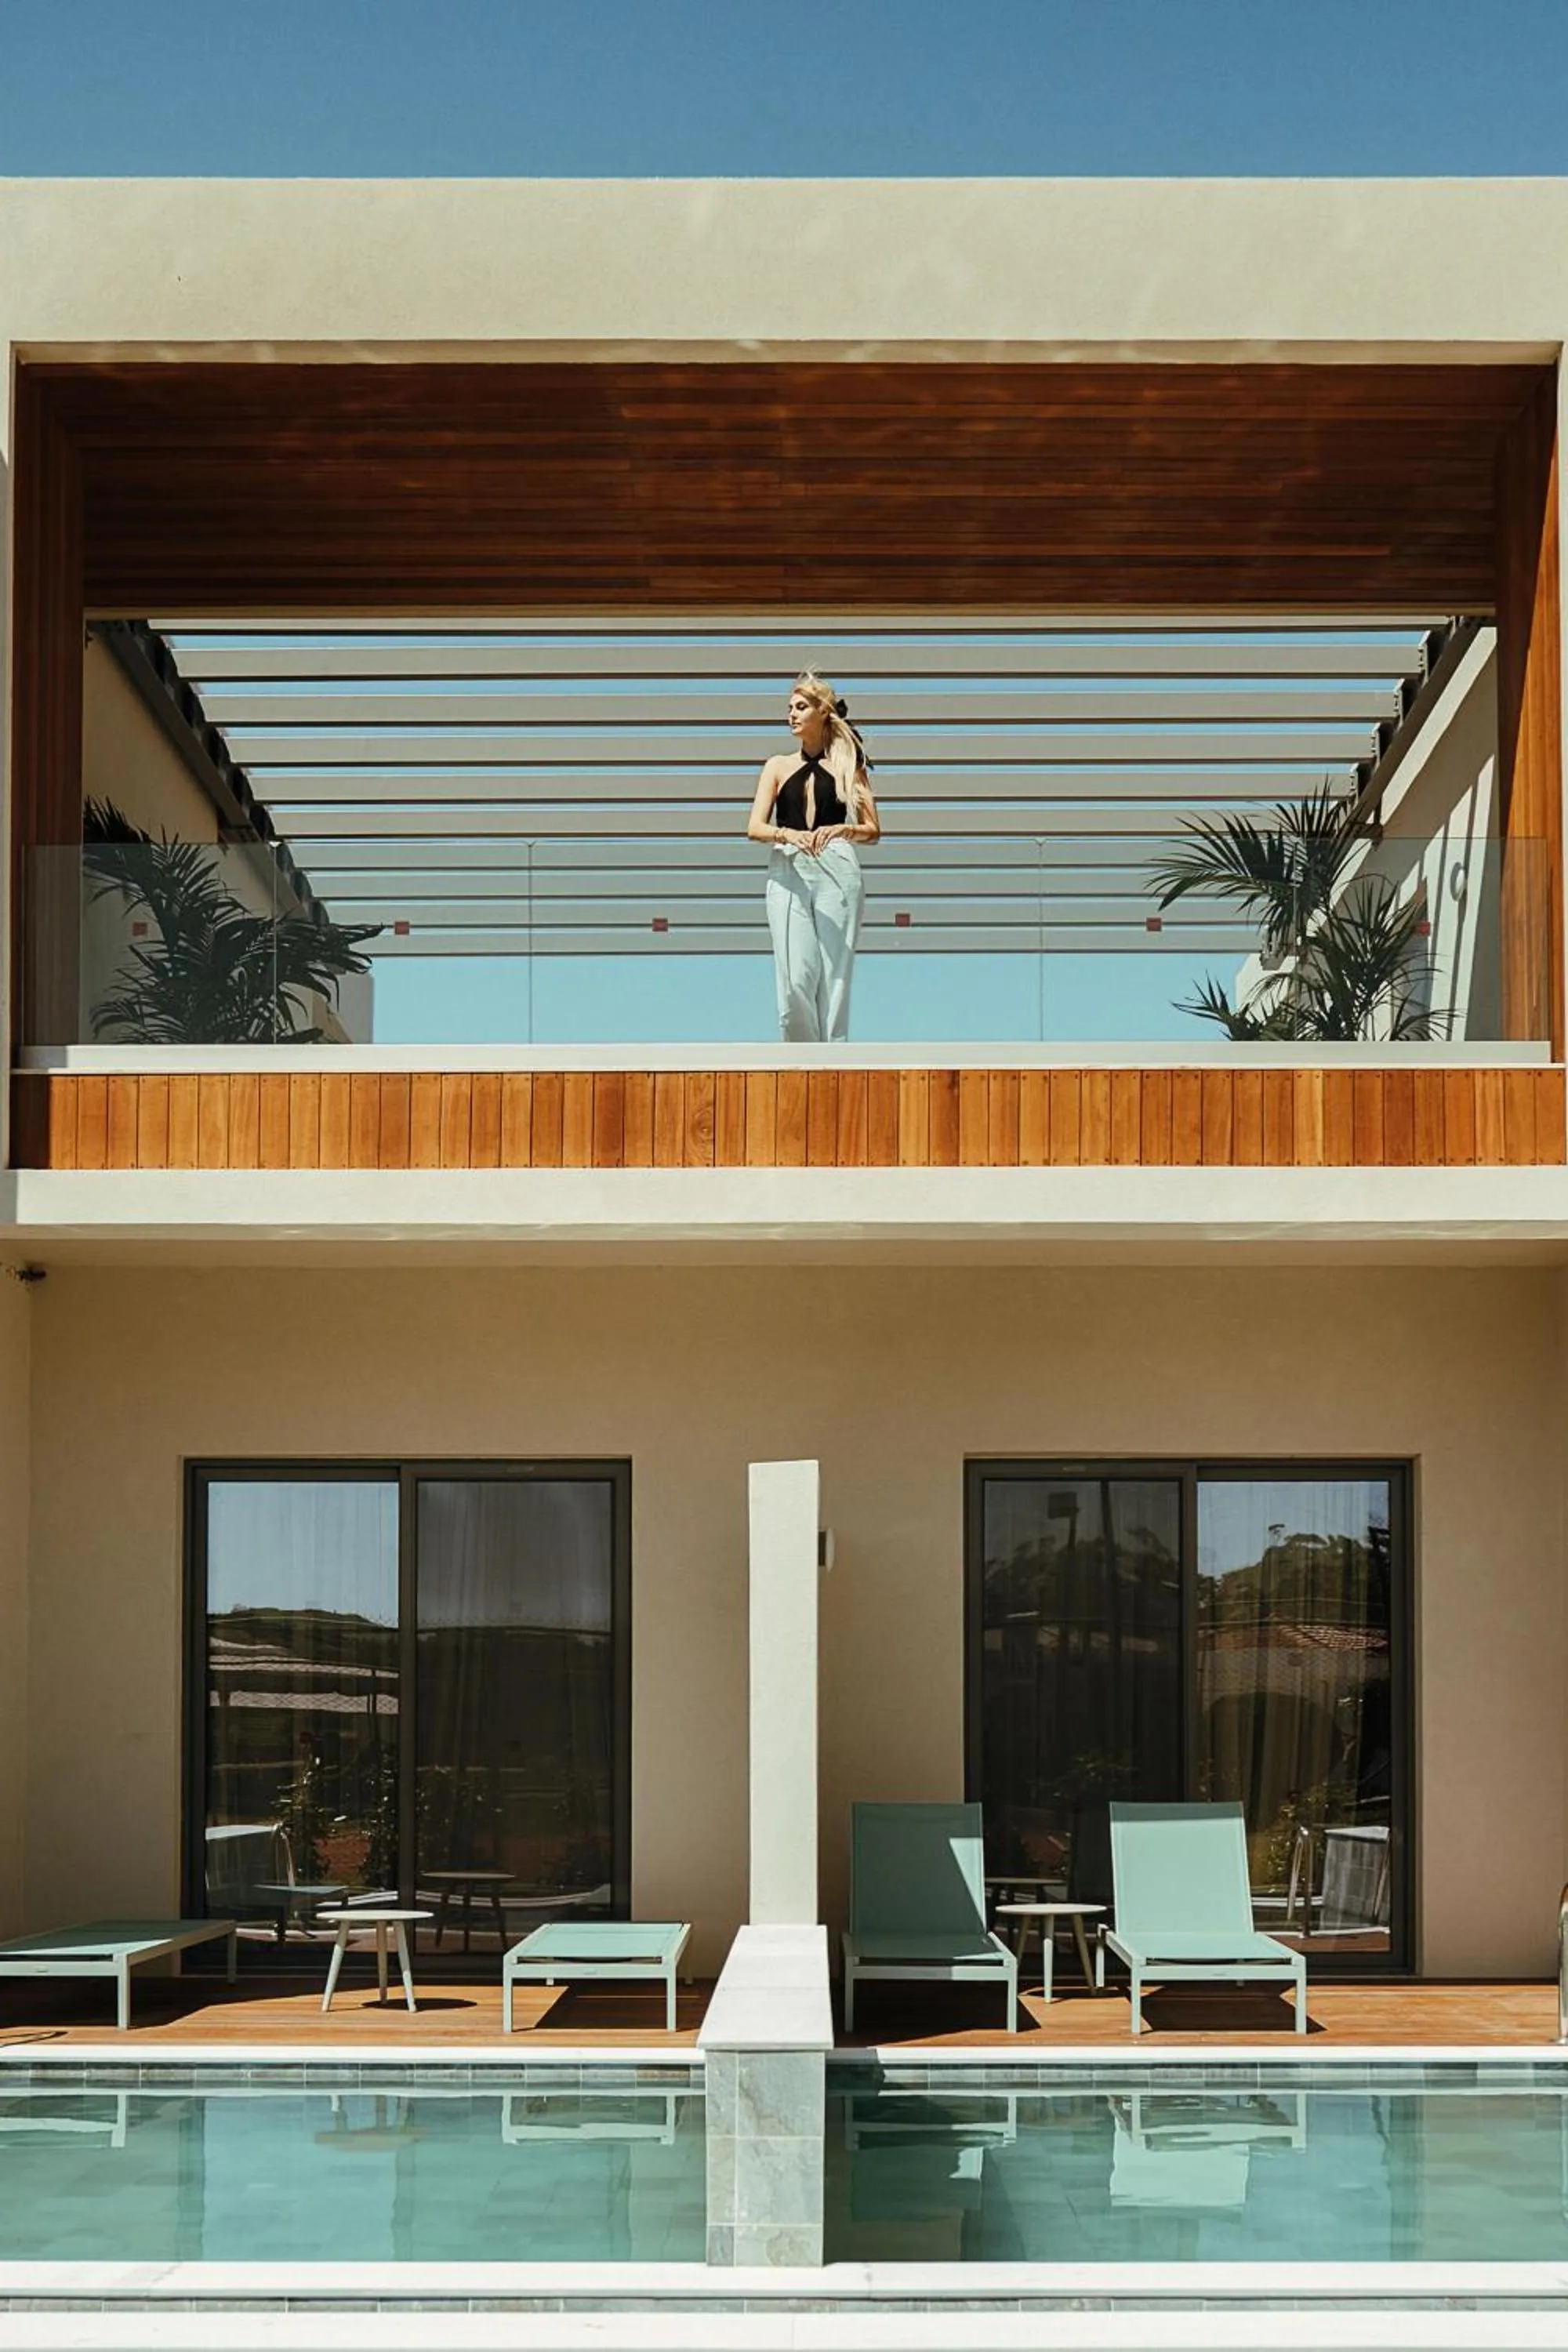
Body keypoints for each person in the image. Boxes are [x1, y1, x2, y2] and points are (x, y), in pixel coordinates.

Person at [746, 671, 881, 1043]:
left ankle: (833, 1061)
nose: (791, 714)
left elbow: (872, 829)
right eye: (789, 708)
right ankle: (801, 1062)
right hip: (787, 864)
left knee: (835, 976)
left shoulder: (847, 764)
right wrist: (786, 833)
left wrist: (842, 830)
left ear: (823, 712)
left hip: (837, 866)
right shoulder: (776, 766)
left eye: (801, 707)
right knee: (794, 980)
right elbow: (754, 827)